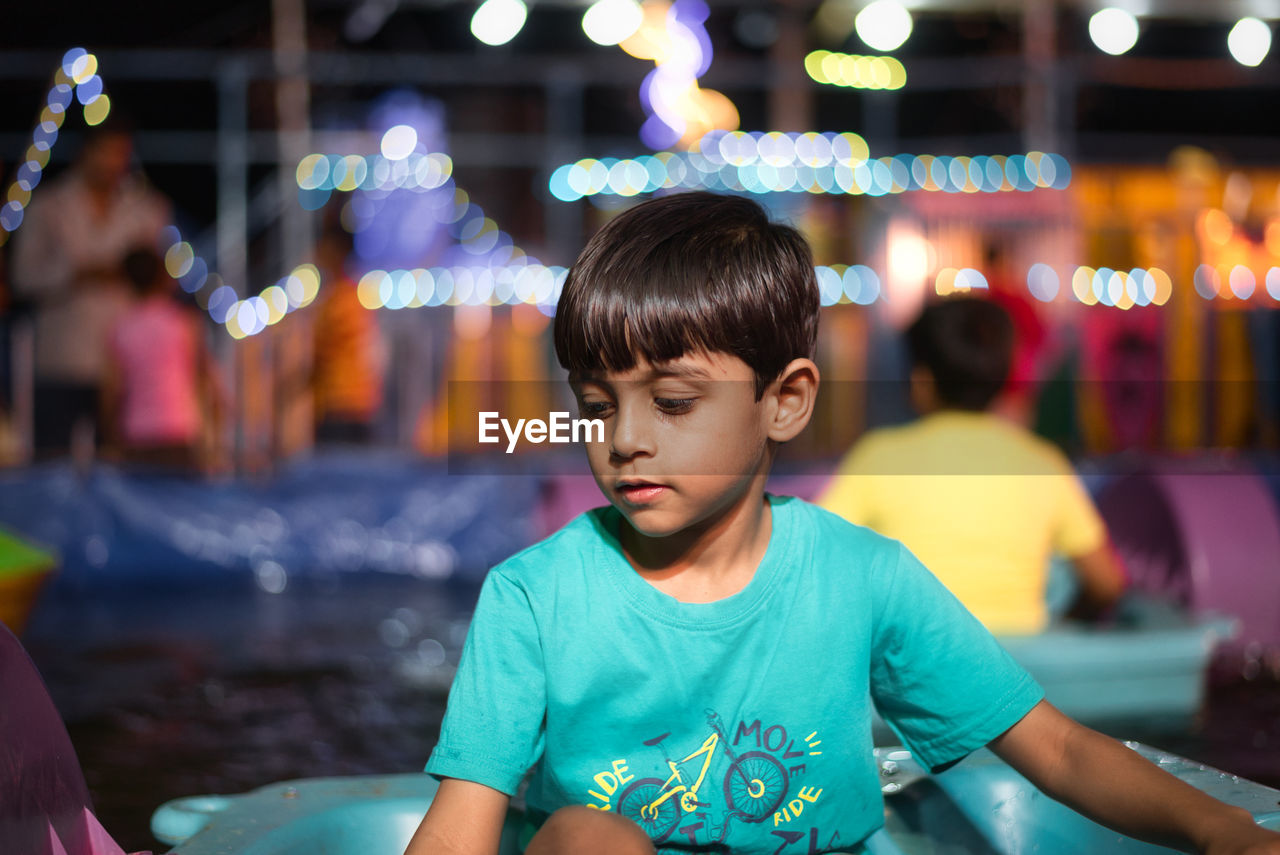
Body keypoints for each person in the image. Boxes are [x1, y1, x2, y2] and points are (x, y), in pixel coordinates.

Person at [405, 193, 1280, 855]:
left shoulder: (862, 575)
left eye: (673, 403)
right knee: (590, 837)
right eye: (597, 408)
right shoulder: (534, 594)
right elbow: (460, 825)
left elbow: (1052, 744)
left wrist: (1224, 831)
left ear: (784, 401)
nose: (625, 440)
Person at [819, 297, 1126, 635]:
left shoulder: (877, 457)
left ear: (922, 380)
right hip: (1023, 672)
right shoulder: (1043, 461)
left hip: (915, 672)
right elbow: (1107, 583)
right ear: (1005, 374)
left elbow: (817, 562)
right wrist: (1066, 621)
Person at [9, 119, 170, 457]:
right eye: (106, 153)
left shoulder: (146, 211)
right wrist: (76, 274)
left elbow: (161, 281)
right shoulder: (48, 207)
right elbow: (22, 278)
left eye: (121, 154)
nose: (114, 163)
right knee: (53, 464)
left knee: (123, 473)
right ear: (86, 152)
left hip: (125, 370)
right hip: (63, 362)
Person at [102, 247, 222, 470]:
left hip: (136, 434)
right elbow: (206, 380)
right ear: (162, 278)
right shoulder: (184, 323)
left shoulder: (120, 328)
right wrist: (214, 436)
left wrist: (111, 438)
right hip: (179, 430)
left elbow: (113, 391)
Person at [310, 223, 383, 444]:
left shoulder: (343, 300)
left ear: (336, 252)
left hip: (343, 402)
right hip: (348, 401)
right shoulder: (345, 295)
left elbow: (322, 352)